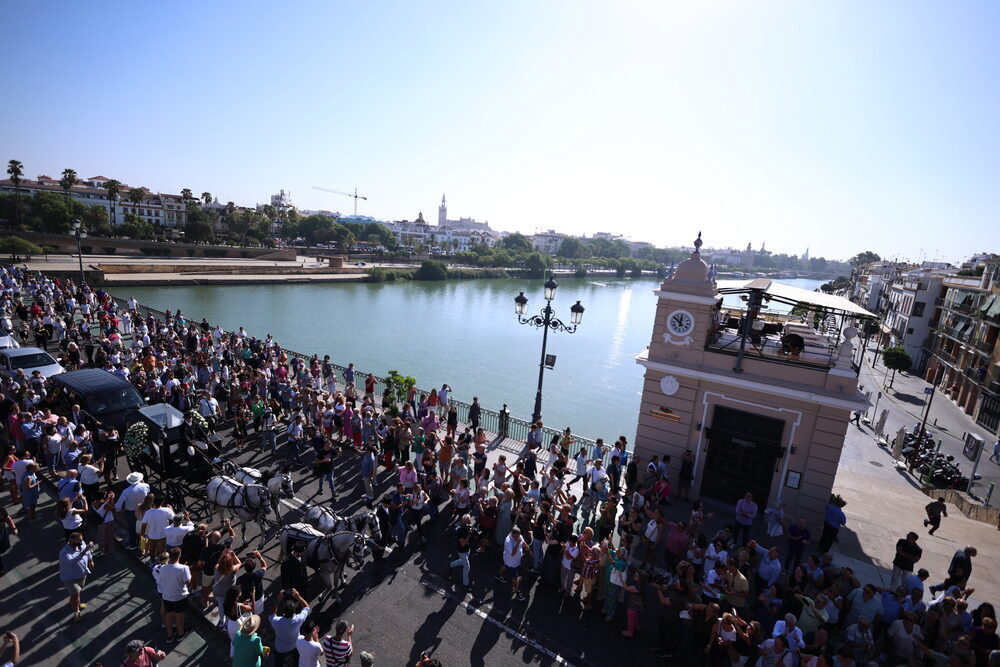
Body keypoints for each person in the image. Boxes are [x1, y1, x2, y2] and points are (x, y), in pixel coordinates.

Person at [269, 589, 311, 667]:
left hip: (280, 649)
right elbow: (307, 607)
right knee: (295, 662)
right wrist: (298, 597)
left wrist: (277, 601)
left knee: (278, 663)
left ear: (283, 612)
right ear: (294, 611)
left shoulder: (277, 622)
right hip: (294, 646)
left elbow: (271, 615)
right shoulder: (298, 620)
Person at [58, 531, 94, 623]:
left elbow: (88, 551)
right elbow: (72, 561)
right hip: (70, 578)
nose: (81, 542)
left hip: (82, 575)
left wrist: (90, 560)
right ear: (71, 540)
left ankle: (73, 603)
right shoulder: (64, 553)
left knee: (76, 594)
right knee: (76, 594)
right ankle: (76, 612)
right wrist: (85, 550)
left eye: (81, 539)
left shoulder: (82, 544)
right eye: (78, 540)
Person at [160, 547, 191, 642]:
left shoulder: (162, 568)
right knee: (179, 615)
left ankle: (170, 635)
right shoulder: (184, 568)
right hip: (179, 596)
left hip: (166, 596)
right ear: (179, 556)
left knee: (169, 615)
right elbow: (187, 581)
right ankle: (181, 634)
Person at [115, 471, 150, 551]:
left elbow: (118, 505)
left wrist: (119, 510)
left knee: (132, 528)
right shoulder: (146, 486)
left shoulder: (126, 491)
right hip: (143, 510)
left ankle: (133, 544)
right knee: (143, 529)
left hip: (130, 512)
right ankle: (143, 546)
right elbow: (147, 494)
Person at [496, 527, 529, 601]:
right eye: (516, 537)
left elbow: (523, 542)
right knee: (514, 577)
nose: (518, 538)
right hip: (511, 562)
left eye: (519, 536)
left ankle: (498, 575)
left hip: (514, 561)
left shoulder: (518, 535)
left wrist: (529, 549)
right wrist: (517, 543)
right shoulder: (508, 541)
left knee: (505, 566)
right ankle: (517, 593)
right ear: (512, 534)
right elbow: (513, 553)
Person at [449, 514, 474, 588]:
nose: (469, 523)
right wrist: (469, 536)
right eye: (467, 521)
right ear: (463, 522)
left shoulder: (469, 527)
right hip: (461, 551)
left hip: (467, 549)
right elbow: (462, 544)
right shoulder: (459, 530)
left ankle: (450, 565)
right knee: (467, 566)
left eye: (469, 521)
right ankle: (465, 584)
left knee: (462, 561)